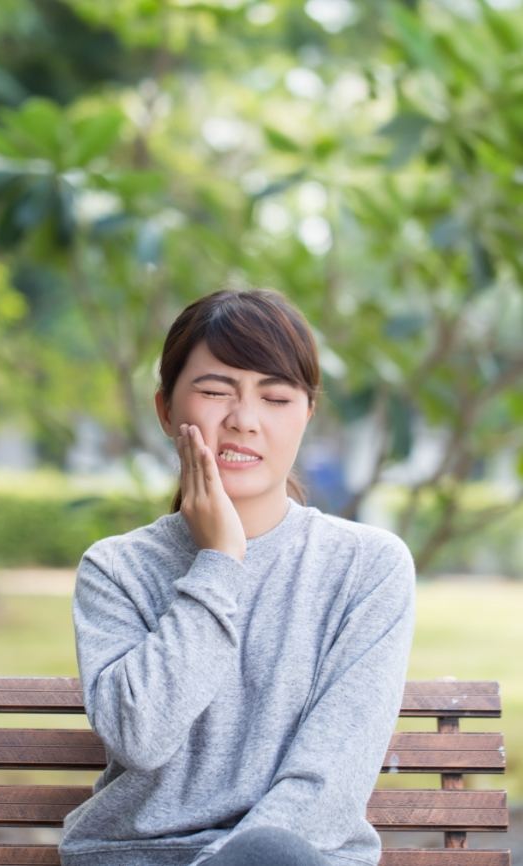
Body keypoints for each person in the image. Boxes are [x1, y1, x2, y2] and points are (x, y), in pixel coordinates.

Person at [56, 288, 416, 866]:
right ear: (166, 410)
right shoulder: (116, 569)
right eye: (216, 391)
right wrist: (219, 563)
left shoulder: (367, 568)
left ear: (307, 415)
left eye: (275, 397)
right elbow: (141, 737)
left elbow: (325, 789)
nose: (244, 420)